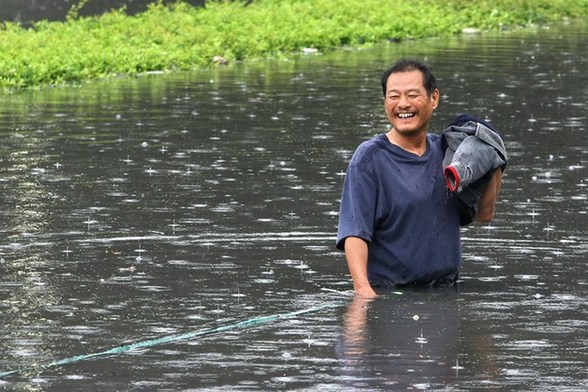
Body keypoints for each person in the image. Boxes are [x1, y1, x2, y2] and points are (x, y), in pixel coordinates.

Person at [336, 59, 503, 298]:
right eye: (394, 96)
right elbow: (354, 232)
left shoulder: (449, 153)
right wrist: (363, 293)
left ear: (434, 98)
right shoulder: (369, 158)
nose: (403, 104)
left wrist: (494, 161)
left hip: (447, 293)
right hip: (390, 294)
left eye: (412, 95)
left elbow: (485, 215)